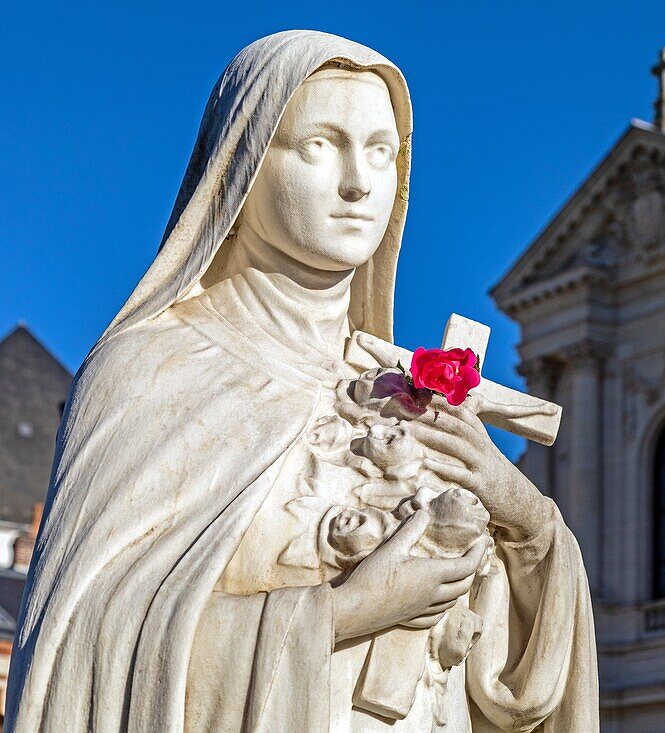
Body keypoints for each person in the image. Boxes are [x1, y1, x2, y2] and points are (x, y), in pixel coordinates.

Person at [5, 30, 597, 732]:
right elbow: (76, 650)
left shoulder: (403, 392)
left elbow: (505, 688)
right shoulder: (150, 368)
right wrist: (342, 612)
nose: (359, 182)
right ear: (243, 162)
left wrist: (527, 523)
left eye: (381, 152)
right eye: (320, 145)